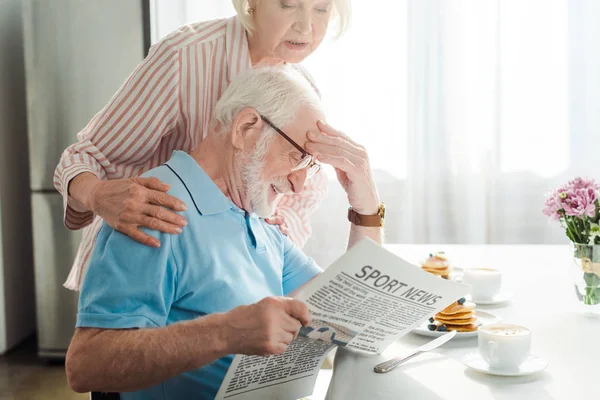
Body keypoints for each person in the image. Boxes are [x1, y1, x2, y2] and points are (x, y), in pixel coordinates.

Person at [65, 65, 383, 399]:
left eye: (311, 168)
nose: (298, 183)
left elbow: (348, 317)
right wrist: (226, 332)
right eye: (299, 157)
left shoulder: (256, 214)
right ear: (246, 128)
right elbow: (86, 365)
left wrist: (367, 210)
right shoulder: (155, 208)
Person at [54, 0, 352, 290]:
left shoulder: (303, 87)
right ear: (252, 3)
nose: (305, 26)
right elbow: (82, 158)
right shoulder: (183, 57)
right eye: (288, 5)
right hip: (147, 265)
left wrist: (281, 223)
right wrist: (97, 194)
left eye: (322, 9)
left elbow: (306, 190)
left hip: (229, 279)